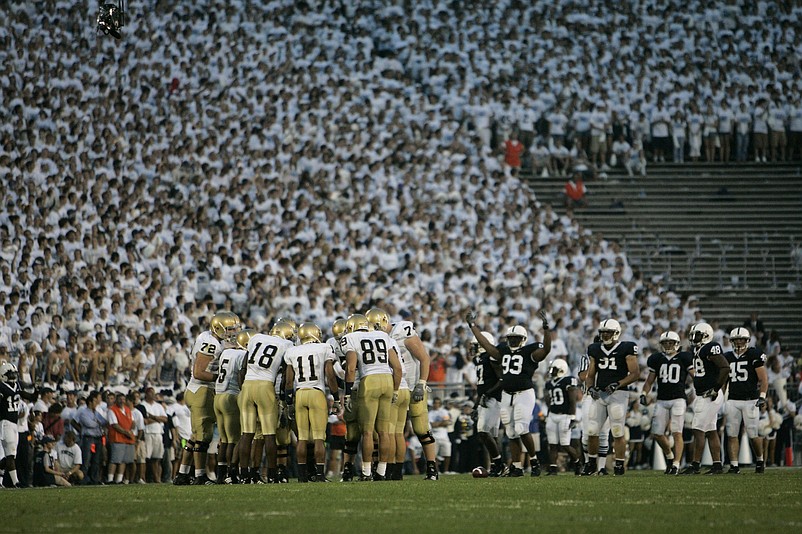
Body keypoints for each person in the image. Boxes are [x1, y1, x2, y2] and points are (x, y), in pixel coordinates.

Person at [466, 310, 551, 477]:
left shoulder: (529, 351)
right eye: (510, 338)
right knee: (511, 432)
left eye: (516, 338)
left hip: (524, 393)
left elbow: (546, 349)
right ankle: (517, 467)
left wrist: (546, 329)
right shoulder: (503, 351)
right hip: (507, 394)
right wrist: (473, 326)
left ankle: (534, 461)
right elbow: (486, 345)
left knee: (521, 428)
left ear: (523, 340)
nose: (512, 341)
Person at [369, 308, 437, 481]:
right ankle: (393, 471)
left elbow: (424, 358)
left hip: (413, 385)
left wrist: (421, 383)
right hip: (394, 387)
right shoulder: (378, 338)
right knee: (392, 432)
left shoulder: (402, 331)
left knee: (421, 429)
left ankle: (432, 469)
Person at [174, 311, 241, 486]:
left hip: (196, 390)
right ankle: (199, 475)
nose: (232, 333)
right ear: (218, 328)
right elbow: (199, 372)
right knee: (203, 436)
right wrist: (220, 378)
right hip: (201, 391)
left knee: (195, 436)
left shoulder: (207, 337)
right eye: (229, 329)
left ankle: (182, 474)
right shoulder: (210, 343)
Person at [342, 313, 402, 481]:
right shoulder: (383, 335)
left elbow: (351, 369)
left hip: (370, 381)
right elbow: (397, 368)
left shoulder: (351, 338)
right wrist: (395, 390)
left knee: (367, 432)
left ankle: (367, 472)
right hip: (388, 380)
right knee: (384, 432)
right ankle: (381, 472)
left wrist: (347, 393)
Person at [283, 322, 339, 482]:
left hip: (300, 393)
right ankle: (320, 474)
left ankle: (302, 476)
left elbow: (288, 381)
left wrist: (289, 401)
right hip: (316, 393)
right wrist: (335, 398)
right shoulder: (323, 348)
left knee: (302, 438)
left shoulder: (292, 351)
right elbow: (330, 375)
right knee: (319, 438)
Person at [582, 319, 639, 476]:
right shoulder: (594, 348)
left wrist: (618, 384)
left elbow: (635, 373)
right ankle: (591, 463)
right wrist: (590, 387)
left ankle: (619, 465)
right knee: (592, 429)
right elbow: (591, 373)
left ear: (616, 333)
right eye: (603, 332)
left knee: (617, 430)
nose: (605, 335)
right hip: (599, 393)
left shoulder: (626, 347)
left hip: (618, 393)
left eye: (608, 332)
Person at [366, 308, 411, 481]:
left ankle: (389, 470)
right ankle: (397, 471)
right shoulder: (389, 339)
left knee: (388, 433)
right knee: (398, 434)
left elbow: (396, 369)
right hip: (405, 387)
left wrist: (393, 389)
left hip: (395, 386)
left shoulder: (381, 339)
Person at [640, 331, 694, 475]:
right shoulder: (656, 359)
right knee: (657, 433)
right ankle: (670, 457)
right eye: (665, 343)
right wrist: (644, 393)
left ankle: (676, 464)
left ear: (677, 344)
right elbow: (649, 380)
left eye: (670, 343)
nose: (668, 345)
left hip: (678, 399)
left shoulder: (684, 357)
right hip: (662, 399)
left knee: (677, 432)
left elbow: (695, 375)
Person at [681, 322, 729, 475]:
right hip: (704, 394)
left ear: (706, 335)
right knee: (710, 430)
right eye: (694, 335)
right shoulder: (699, 349)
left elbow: (725, 367)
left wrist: (716, 389)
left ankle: (695, 465)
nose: (694, 338)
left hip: (710, 394)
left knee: (698, 429)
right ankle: (717, 465)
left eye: (698, 335)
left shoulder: (710, 347)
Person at [723, 327, 769, 474]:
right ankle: (734, 465)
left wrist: (762, 396)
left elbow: (763, 379)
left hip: (751, 400)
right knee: (731, 433)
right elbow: (724, 381)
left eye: (741, 339)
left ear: (747, 340)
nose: (738, 342)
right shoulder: (727, 356)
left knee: (753, 433)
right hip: (733, 399)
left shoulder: (754, 354)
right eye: (736, 340)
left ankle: (760, 460)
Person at [213, 329, 250, 484]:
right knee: (234, 440)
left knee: (224, 439)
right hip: (231, 395)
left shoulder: (225, 353)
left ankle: (221, 474)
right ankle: (231, 474)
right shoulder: (242, 355)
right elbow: (241, 376)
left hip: (218, 395)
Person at [469, 330, 505, 476]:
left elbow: (502, 379)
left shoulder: (491, 357)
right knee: (493, 436)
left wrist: (488, 394)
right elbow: (481, 386)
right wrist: (475, 404)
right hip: (486, 398)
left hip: (494, 399)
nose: (472, 348)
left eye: (475, 345)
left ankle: (500, 465)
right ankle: (496, 467)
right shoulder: (479, 360)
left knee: (483, 432)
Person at [544, 358, 580, 475]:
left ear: (561, 369)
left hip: (565, 416)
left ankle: (578, 463)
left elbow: (572, 400)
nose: (551, 371)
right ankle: (553, 468)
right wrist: (548, 415)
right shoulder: (549, 383)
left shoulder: (569, 380)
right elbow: (549, 401)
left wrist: (572, 417)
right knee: (552, 444)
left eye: (554, 369)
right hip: (552, 415)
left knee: (565, 444)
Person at [72, 390, 106, 484]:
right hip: (88, 438)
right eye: (95, 401)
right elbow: (90, 424)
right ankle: (83, 479)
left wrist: (98, 423)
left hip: (97, 437)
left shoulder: (96, 412)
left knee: (96, 460)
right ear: (90, 402)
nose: (97, 403)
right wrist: (97, 423)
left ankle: (94, 479)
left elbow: (104, 422)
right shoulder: (84, 412)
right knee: (86, 459)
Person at [106, 391, 136, 484]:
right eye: (120, 399)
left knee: (124, 460)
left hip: (127, 438)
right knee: (115, 459)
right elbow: (114, 424)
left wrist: (130, 431)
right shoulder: (112, 410)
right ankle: (110, 479)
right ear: (116, 400)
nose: (122, 401)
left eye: (123, 399)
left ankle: (119, 479)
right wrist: (125, 432)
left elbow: (133, 422)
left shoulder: (128, 410)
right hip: (117, 438)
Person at [0, 362, 22, 488]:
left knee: (9, 455)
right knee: (9, 455)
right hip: (5, 423)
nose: (13, 376)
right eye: (10, 374)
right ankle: (16, 482)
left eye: (14, 373)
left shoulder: (16, 385)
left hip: (14, 423)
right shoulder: (1, 387)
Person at [141, 386, 167, 483]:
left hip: (158, 432)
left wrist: (153, 417)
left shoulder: (158, 406)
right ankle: (146, 477)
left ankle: (157, 478)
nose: (153, 395)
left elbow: (165, 419)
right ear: (147, 394)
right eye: (151, 393)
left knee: (158, 458)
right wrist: (157, 419)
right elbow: (145, 421)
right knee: (147, 458)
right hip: (148, 432)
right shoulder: (142, 405)